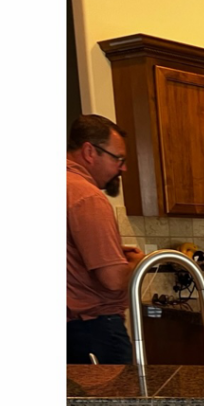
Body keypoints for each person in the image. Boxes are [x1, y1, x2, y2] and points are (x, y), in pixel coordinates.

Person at [67, 114, 144, 364]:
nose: (123, 168)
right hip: (93, 331)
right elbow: (112, 280)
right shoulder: (87, 197)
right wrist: (136, 263)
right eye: (118, 159)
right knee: (114, 403)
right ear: (90, 151)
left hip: (71, 330)